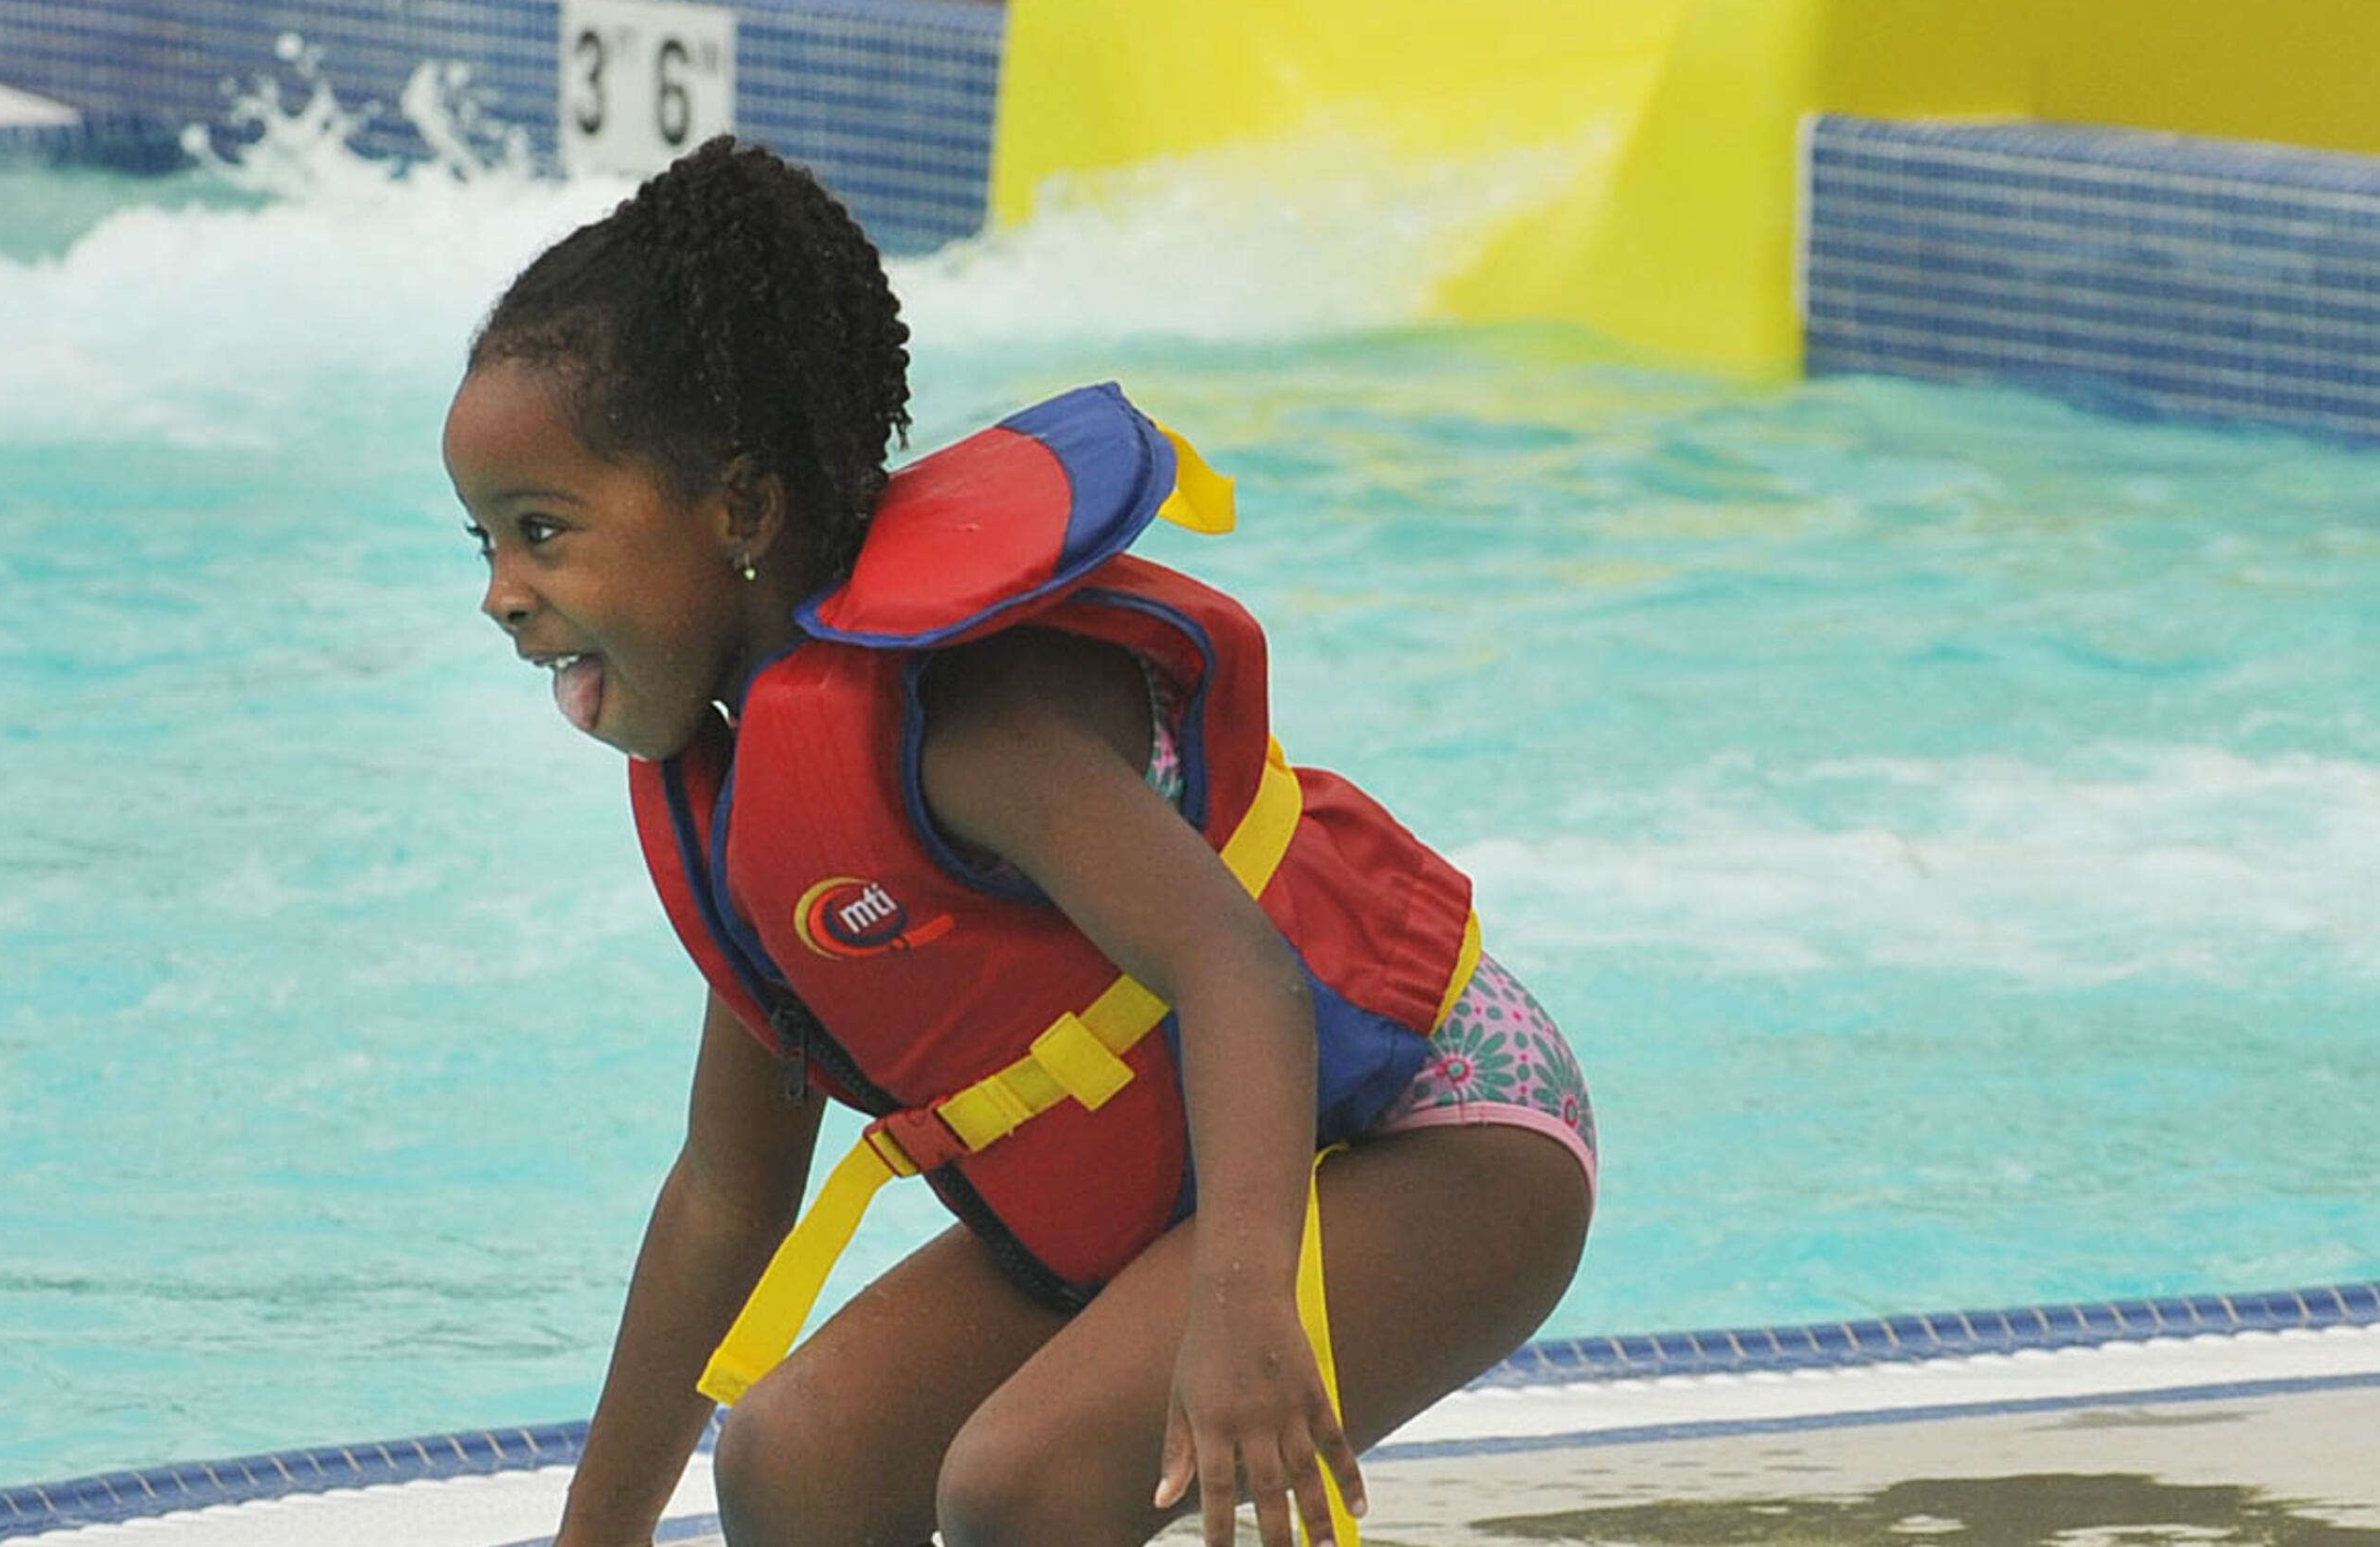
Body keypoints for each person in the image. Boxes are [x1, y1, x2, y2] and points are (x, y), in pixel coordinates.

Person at [441, 137, 1595, 1547]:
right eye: (484, 543)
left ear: (738, 508)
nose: (502, 594)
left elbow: (1239, 972)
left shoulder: (964, 723)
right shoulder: (763, 812)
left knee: (1020, 1483)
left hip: (1435, 1130)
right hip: (1189, 1175)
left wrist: (1245, 1314)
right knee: (794, 1461)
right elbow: (728, 1200)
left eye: (541, 532)